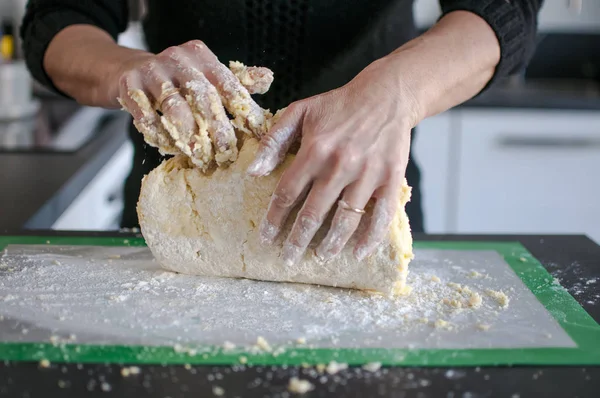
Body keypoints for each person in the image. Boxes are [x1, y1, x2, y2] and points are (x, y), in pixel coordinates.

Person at [21, 0, 542, 265]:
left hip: (361, 197)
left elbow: (502, 12)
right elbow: (61, 18)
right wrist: (133, 75)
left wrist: (396, 91)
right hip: (180, 219)